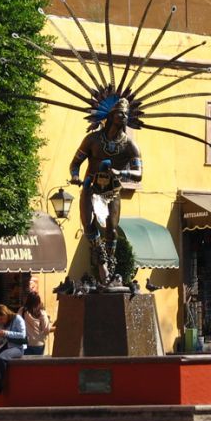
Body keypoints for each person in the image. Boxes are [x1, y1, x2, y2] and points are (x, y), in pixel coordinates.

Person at [68, 97, 142, 285]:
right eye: (119, 113)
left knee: (113, 229)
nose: (123, 116)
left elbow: (139, 174)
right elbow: (75, 163)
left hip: (112, 191)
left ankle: (108, 261)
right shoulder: (93, 139)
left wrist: (121, 172)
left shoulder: (130, 145)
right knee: (88, 223)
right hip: (90, 187)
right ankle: (101, 259)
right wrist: (75, 176)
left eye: (126, 114)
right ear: (110, 115)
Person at [19, 291, 54, 356]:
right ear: (38, 302)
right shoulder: (42, 313)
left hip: (26, 343)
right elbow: (46, 330)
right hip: (38, 344)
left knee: (26, 364)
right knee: (37, 364)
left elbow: (17, 324)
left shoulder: (22, 311)